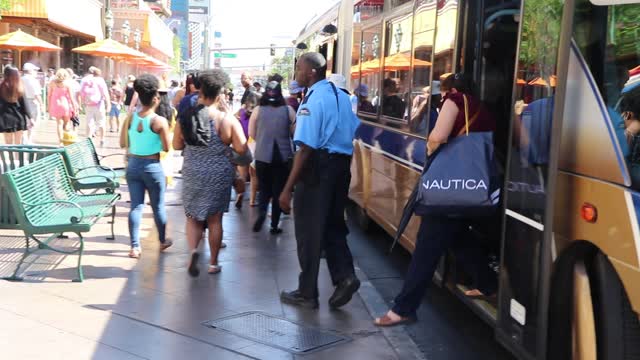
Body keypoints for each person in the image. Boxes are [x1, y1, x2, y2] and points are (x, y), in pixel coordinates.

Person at [374, 73, 497, 326]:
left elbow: (438, 137)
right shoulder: (481, 107)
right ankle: (488, 284)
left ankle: (404, 308)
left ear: (450, 89)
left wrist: (432, 151)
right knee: (459, 237)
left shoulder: (454, 99)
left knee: (426, 249)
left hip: (448, 186)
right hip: (471, 184)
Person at [278, 52, 361, 309]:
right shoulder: (341, 97)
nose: (296, 74)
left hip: (318, 169)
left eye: (299, 68)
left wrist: (287, 189)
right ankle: (345, 276)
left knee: (308, 231)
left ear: (312, 71)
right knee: (333, 225)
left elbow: (305, 148)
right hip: (340, 167)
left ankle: (307, 293)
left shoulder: (313, 101)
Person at [173, 69, 248, 276]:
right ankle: (213, 263)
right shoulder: (226, 120)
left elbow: (176, 145)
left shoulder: (185, 118)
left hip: (192, 171)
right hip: (219, 173)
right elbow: (242, 149)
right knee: (215, 219)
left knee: (193, 217)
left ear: (200, 91)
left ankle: (194, 252)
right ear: (220, 93)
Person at [119, 74, 173, 259]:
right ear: (156, 98)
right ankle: (163, 240)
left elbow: (123, 142)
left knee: (136, 206)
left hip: (132, 165)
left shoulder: (130, 118)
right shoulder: (159, 121)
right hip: (152, 166)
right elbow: (167, 147)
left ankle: (135, 247)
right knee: (157, 206)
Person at [249, 81, 296, 234]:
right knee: (278, 191)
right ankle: (274, 225)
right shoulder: (288, 110)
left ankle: (262, 211)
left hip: (262, 156)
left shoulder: (257, 110)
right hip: (283, 157)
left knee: (264, 188)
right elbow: (294, 133)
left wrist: (262, 139)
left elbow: (251, 133)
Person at [235, 89, 260, 208]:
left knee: (242, 174)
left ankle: (240, 193)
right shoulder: (259, 113)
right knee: (254, 175)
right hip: (255, 145)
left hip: (243, 145)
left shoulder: (241, 112)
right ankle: (252, 200)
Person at [0, 66, 32, 144]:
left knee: (8, 143)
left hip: (5, 118)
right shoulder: (19, 87)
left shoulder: (1, 87)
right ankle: (18, 157)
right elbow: (25, 104)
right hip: (19, 117)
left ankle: (10, 156)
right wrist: (30, 117)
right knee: (18, 143)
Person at [80, 66, 110, 146]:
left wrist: (82, 102)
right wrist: (108, 104)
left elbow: (81, 92)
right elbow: (105, 93)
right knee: (101, 122)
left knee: (89, 122)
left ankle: (89, 139)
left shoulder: (85, 80)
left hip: (88, 104)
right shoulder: (100, 80)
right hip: (99, 104)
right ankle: (102, 139)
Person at [48, 69, 78, 145]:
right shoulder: (67, 84)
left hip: (56, 105)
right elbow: (71, 98)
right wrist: (75, 107)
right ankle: (66, 140)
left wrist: (49, 106)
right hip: (65, 105)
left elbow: (49, 96)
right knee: (66, 124)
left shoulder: (52, 83)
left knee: (59, 124)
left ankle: (60, 141)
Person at [156, 89, 177, 187]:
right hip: (169, 138)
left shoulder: (153, 110)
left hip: (155, 139)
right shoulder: (172, 111)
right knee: (166, 166)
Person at [21, 62, 43, 143]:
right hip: (32, 102)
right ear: (30, 71)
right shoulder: (33, 80)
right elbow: (37, 94)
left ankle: (23, 139)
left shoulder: (20, 79)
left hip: (21, 102)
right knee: (32, 122)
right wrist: (41, 104)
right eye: (35, 70)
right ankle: (29, 140)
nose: (36, 72)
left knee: (24, 122)